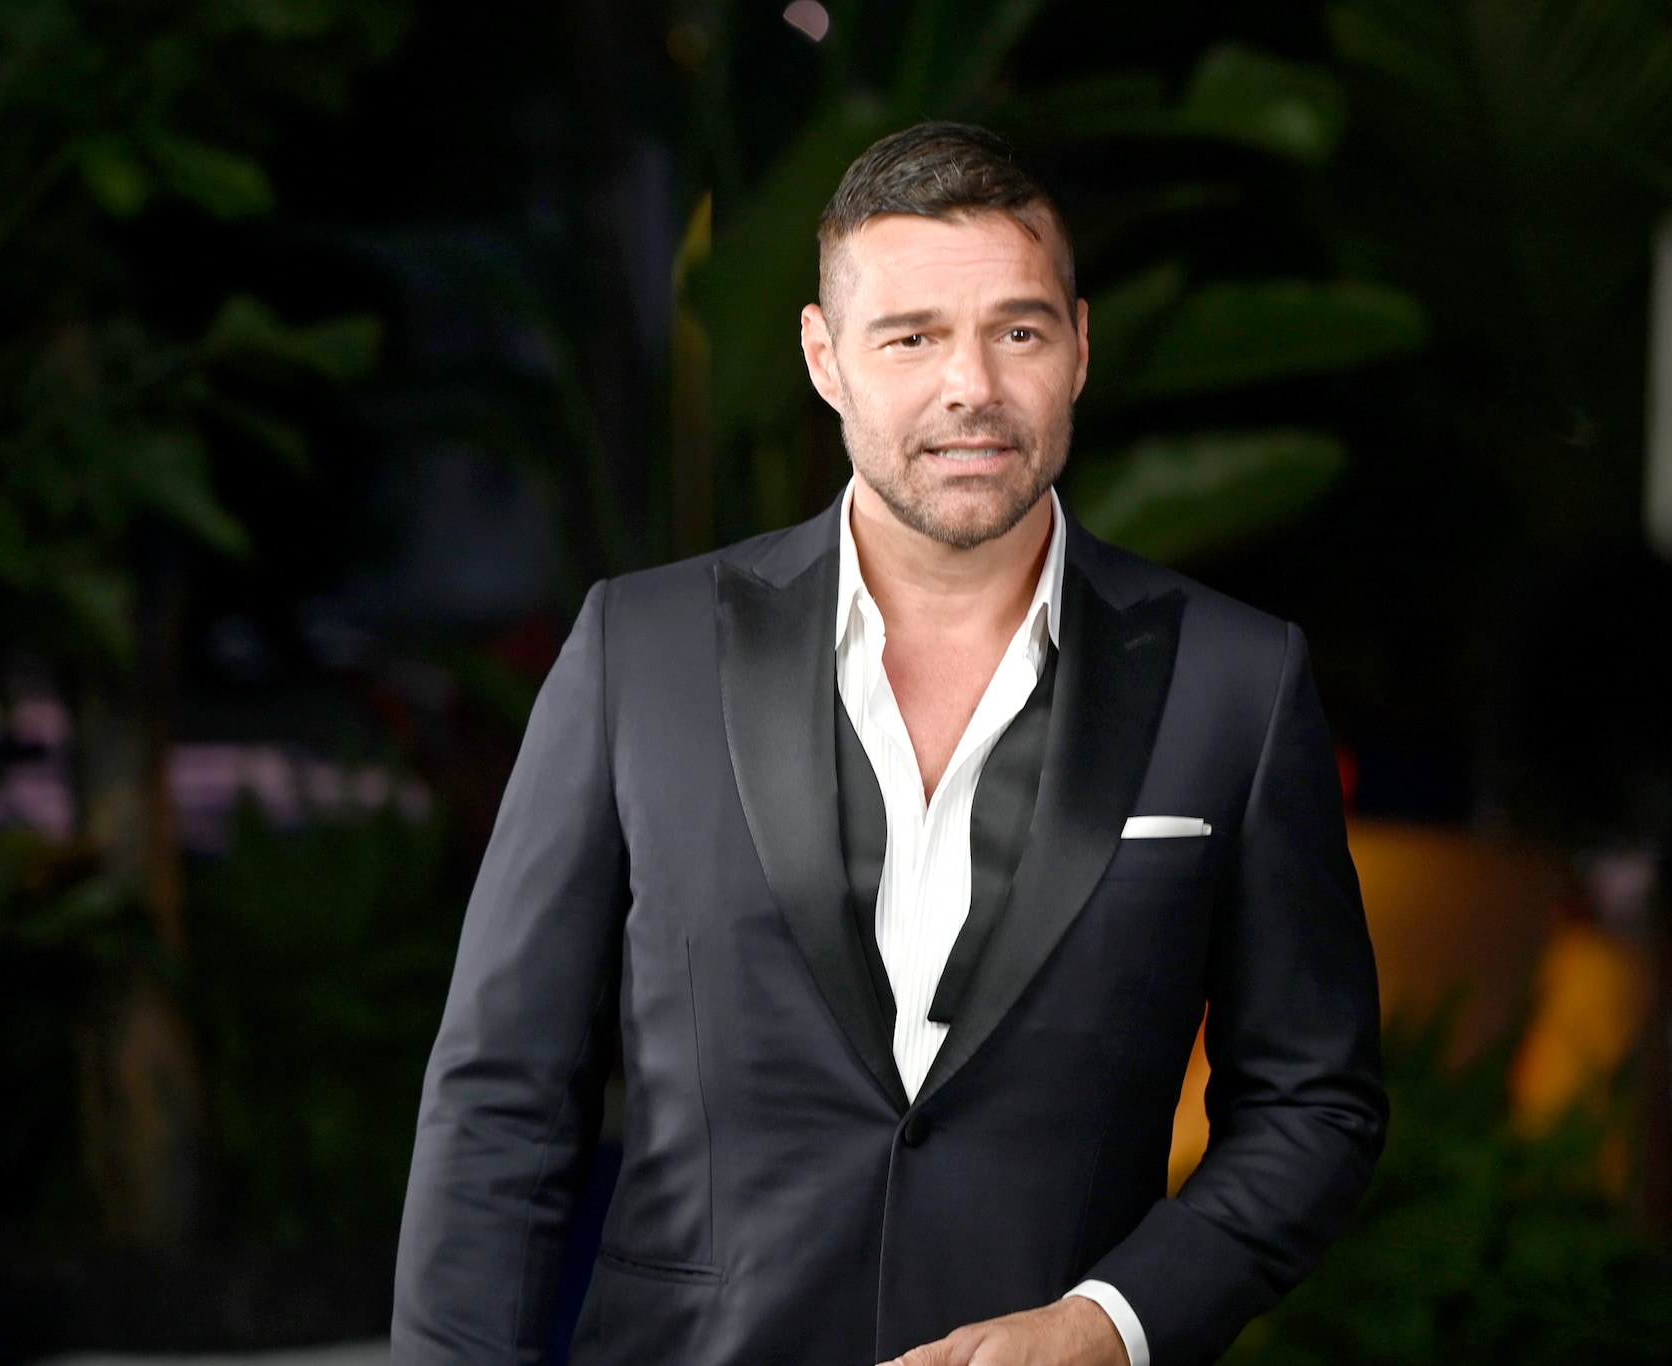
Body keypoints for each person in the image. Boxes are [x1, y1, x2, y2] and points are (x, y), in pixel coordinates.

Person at [392, 122, 1386, 1366]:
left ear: (1078, 348)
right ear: (825, 358)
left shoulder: (1233, 681)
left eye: (1016, 332)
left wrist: (1108, 1322)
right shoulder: (636, 655)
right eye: (910, 337)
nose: (970, 386)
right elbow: (501, 1099)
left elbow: (1313, 1101)